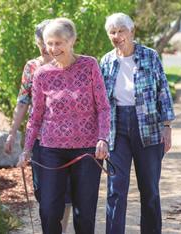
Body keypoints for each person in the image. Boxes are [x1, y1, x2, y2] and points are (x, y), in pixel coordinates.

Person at [18, 17, 111, 234]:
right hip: (50, 151)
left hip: (87, 150)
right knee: (49, 210)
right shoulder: (41, 74)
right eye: (49, 43)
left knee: (84, 213)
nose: (53, 48)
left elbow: (104, 107)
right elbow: (36, 116)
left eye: (58, 43)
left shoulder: (89, 65)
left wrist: (103, 138)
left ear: (72, 41)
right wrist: (27, 149)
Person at [100, 13, 176, 234]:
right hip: (117, 128)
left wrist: (167, 126)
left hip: (149, 127)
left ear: (132, 31)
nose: (117, 36)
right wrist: (101, 135)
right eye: (112, 32)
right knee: (116, 188)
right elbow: (102, 101)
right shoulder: (105, 61)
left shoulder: (150, 56)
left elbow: (163, 90)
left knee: (149, 188)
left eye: (121, 30)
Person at [3, 19, 71, 233]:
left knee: (66, 192)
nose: (44, 47)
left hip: (68, 137)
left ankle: (61, 229)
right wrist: (12, 133)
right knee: (43, 192)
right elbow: (22, 101)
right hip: (39, 138)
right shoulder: (31, 67)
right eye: (40, 43)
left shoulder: (69, 64)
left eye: (46, 42)